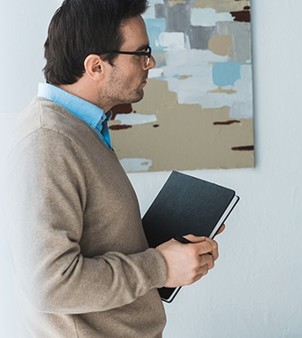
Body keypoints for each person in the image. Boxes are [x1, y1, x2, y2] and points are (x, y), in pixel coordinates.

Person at [5, 0, 222, 336]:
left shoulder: (81, 129)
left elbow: (99, 239)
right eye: (141, 53)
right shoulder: (48, 142)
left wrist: (172, 248)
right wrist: (160, 266)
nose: (150, 63)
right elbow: (51, 284)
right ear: (95, 67)